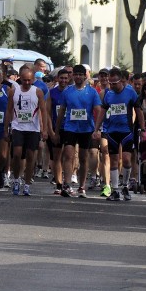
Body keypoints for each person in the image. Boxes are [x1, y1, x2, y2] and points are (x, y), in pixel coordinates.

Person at [56, 64, 102, 198]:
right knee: (68, 155)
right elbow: (62, 111)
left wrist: (97, 129)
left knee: (83, 157)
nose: (77, 77)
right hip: (70, 127)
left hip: (86, 129)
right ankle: (67, 184)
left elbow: (98, 111)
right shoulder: (67, 91)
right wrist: (57, 130)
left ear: (85, 76)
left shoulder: (92, 92)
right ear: (73, 76)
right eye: (75, 74)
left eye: (80, 74)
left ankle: (82, 186)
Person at [93, 68, 138, 201]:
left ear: (121, 81)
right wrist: (96, 129)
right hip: (111, 131)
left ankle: (125, 185)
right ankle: (115, 190)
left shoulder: (130, 92)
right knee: (112, 160)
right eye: (110, 83)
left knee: (126, 159)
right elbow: (102, 111)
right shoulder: (108, 94)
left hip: (126, 131)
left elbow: (138, 110)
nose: (111, 85)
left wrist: (141, 127)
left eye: (114, 83)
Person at [5, 65, 48, 197]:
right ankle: (16, 179)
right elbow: (9, 110)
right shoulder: (14, 91)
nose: (27, 83)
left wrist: (44, 129)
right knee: (17, 154)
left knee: (31, 157)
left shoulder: (37, 92)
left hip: (33, 129)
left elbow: (43, 111)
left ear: (33, 79)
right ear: (20, 79)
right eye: (24, 80)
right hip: (18, 127)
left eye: (30, 80)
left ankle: (27, 184)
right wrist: (6, 128)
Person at [48, 68, 70, 195]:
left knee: (68, 156)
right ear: (57, 79)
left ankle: (67, 183)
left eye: (66, 78)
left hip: (69, 129)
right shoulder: (52, 93)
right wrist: (50, 131)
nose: (63, 80)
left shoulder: (72, 92)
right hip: (57, 129)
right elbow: (47, 113)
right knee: (56, 157)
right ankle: (59, 184)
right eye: (61, 78)